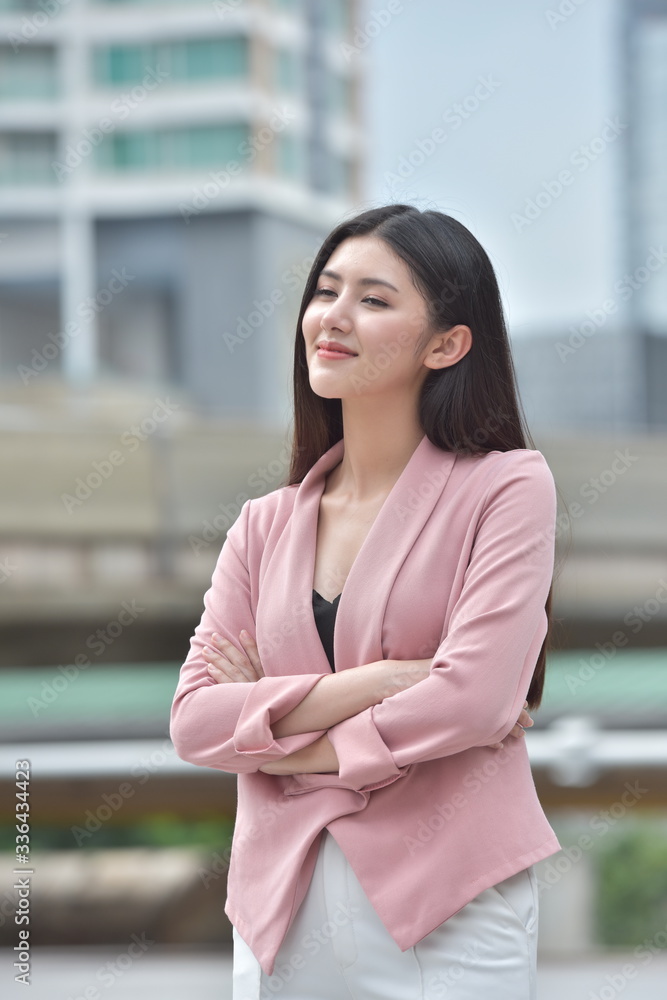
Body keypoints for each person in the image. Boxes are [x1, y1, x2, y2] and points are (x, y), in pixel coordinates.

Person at [170, 204, 562, 999]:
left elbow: (476, 699)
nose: (332, 317)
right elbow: (194, 723)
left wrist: (279, 740)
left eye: (374, 300)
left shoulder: (506, 488)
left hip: (447, 904)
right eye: (325, 290)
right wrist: (380, 683)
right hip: (280, 906)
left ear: (447, 344)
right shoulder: (263, 525)